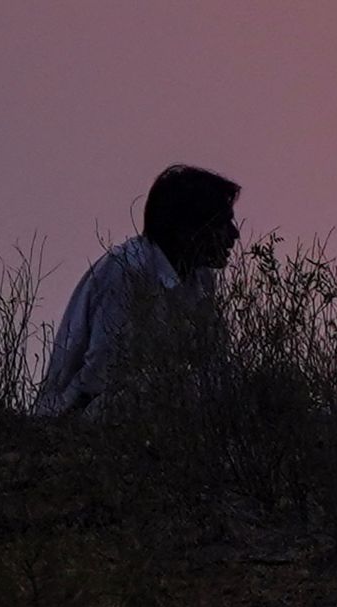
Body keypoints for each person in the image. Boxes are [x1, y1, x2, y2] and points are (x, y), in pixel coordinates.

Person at [34, 164, 240, 417]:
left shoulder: (201, 279)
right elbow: (100, 371)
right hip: (86, 413)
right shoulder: (129, 271)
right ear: (187, 230)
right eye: (221, 224)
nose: (234, 235)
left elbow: (214, 363)